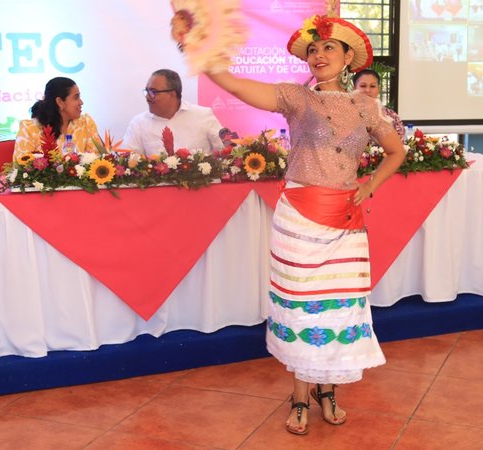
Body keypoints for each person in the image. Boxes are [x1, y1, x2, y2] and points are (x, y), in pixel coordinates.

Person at [187, 9, 405, 436]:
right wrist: (202, 53)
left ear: (348, 59)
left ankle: (330, 391)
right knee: (304, 309)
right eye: (313, 50)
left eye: (328, 48)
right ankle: (300, 396)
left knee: (336, 311)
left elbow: (396, 152)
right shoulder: (296, 97)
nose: (319, 54)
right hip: (299, 220)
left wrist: (371, 184)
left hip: (345, 221)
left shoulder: (366, 106)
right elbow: (236, 85)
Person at [122, 69, 224, 156]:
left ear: (171, 94)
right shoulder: (139, 123)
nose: (148, 97)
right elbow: (129, 160)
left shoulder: (203, 115)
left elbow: (226, 151)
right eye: (146, 91)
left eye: (153, 92)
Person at [13, 77, 100, 161]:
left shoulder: (85, 123)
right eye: (76, 97)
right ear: (60, 102)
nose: (81, 102)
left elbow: (97, 160)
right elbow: (22, 167)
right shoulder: (29, 129)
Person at [353, 69, 405, 140]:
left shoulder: (391, 115)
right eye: (363, 86)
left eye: (372, 86)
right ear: (354, 89)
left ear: (378, 89)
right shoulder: (346, 114)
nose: (367, 90)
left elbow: (400, 140)